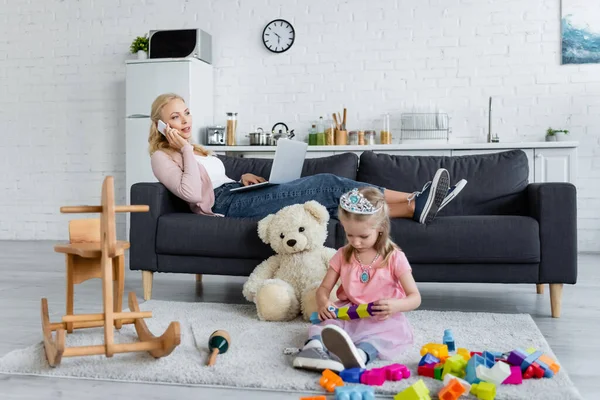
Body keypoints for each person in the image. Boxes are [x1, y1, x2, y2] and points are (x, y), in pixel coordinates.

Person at [148, 93, 467, 223]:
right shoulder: (162, 157)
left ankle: (413, 209)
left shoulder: (198, 150)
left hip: (235, 193)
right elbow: (191, 193)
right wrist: (184, 149)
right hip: (226, 206)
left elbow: (214, 179)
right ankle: (415, 198)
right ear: (163, 126)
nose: (185, 121)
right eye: (175, 118)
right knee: (328, 184)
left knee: (331, 204)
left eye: (186, 113)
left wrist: (239, 179)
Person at [293, 187, 420, 372]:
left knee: (388, 336)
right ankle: (312, 350)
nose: (356, 242)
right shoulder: (342, 255)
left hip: (380, 317)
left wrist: (396, 306)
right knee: (325, 327)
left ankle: (360, 355)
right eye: (349, 235)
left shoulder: (394, 257)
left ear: (380, 229)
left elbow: (415, 297)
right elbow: (323, 289)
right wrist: (324, 303)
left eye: (363, 236)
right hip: (348, 312)